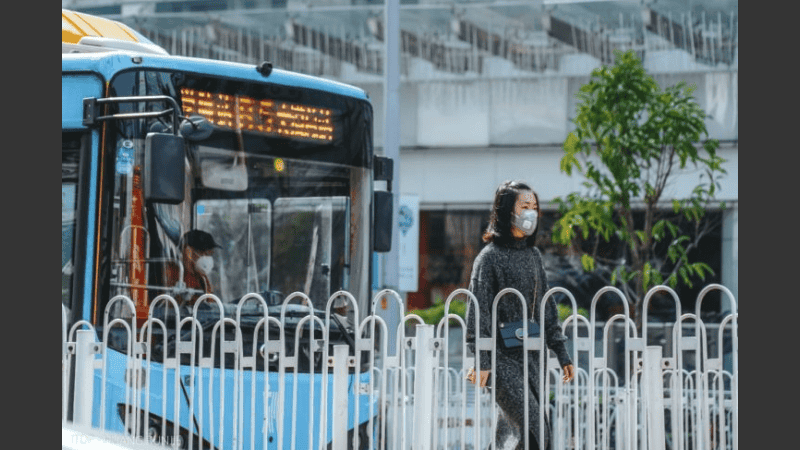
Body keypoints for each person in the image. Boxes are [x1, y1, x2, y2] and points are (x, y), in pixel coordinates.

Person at [465, 180, 575, 450]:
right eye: (525, 206)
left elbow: (546, 308)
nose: (531, 213)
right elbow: (478, 311)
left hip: (533, 355)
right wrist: (482, 360)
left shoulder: (533, 255)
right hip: (501, 359)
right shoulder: (488, 258)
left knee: (512, 434)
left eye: (534, 207)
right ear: (506, 211)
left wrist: (561, 353)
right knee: (533, 428)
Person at [168, 230, 220, 306]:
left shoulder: (202, 278)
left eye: (210, 254)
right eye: (204, 253)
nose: (208, 258)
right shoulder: (172, 272)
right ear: (188, 252)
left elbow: (210, 304)